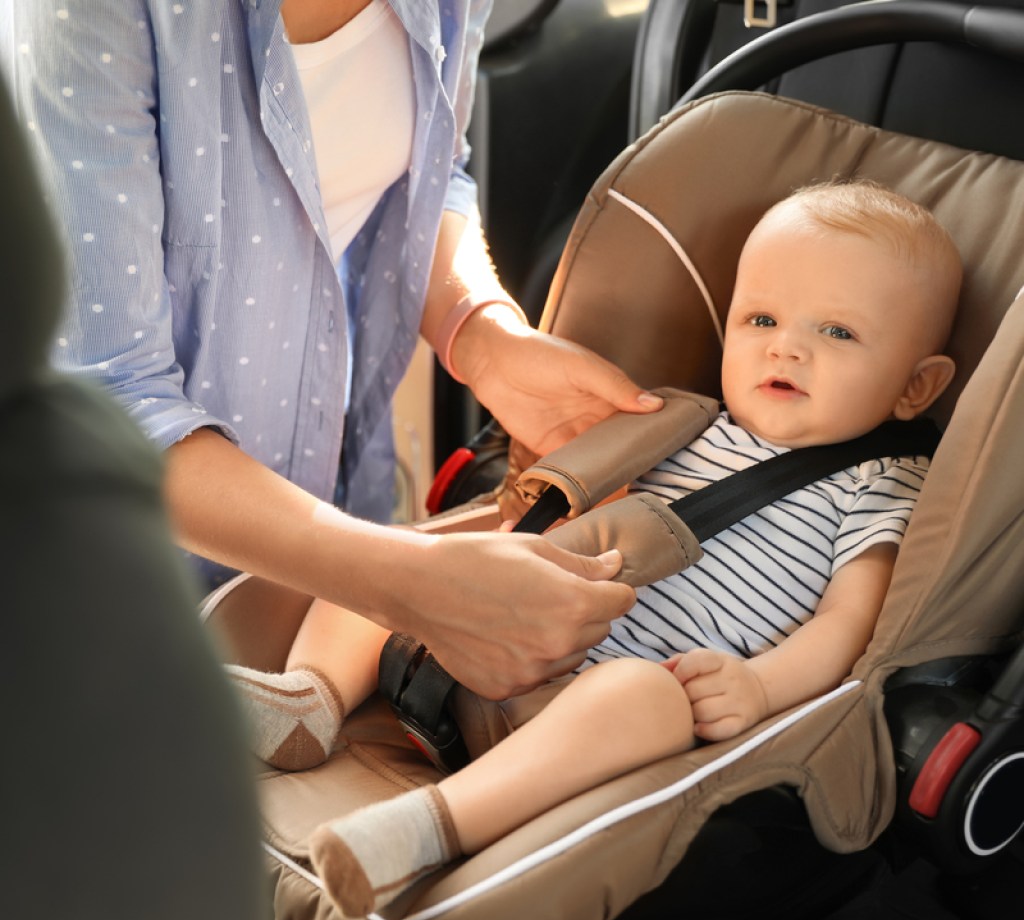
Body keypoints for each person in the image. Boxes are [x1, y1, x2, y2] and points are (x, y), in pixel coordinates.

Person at [226, 179, 961, 916]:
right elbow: (577, 508)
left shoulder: (881, 484)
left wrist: (761, 687)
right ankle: (312, 699)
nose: (787, 345)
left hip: (586, 711)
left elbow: (850, 625)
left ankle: (429, 827)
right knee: (392, 560)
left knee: (649, 699)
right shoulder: (682, 423)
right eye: (761, 318)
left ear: (915, 387)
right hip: (490, 625)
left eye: (837, 332)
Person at [0, 1, 662, 700]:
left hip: (331, 517)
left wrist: (485, 336)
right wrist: (403, 581)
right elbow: (109, 409)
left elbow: (431, 177)